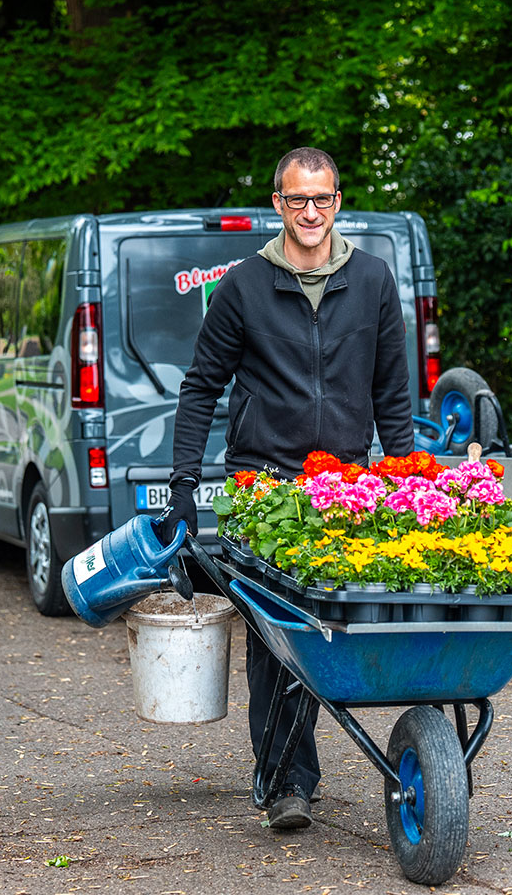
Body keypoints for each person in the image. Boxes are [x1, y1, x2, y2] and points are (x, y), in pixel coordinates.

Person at [161, 146, 414, 829]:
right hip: (262, 486)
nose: (310, 211)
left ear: (338, 202)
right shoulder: (243, 285)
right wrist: (185, 482)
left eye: (322, 199)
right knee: (276, 638)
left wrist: (410, 479)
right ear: (277, 204)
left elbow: (393, 392)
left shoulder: (373, 281)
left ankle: (300, 766)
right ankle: (287, 783)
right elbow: (200, 390)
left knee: (327, 633)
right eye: (297, 199)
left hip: (344, 489)